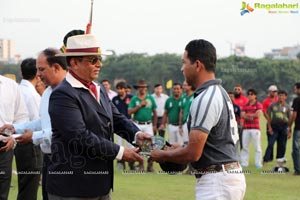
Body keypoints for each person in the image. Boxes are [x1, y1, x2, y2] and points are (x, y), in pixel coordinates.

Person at [47, 34, 149, 199]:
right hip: (73, 187)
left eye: (99, 59)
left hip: (100, 185)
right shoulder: (63, 95)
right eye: (93, 60)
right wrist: (121, 152)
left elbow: (117, 118)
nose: (99, 64)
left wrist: (137, 135)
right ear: (73, 62)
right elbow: (79, 136)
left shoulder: (99, 88)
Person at [151, 39, 246, 200]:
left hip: (217, 181)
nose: (182, 68)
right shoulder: (218, 92)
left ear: (197, 65)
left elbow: (193, 154)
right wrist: (178, 147)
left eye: (184, 62)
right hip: (224, 176)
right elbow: (210, 144)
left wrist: (162, 155)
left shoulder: (206, 97)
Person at [1, 48, 68, 200]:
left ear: (56, 67)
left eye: (41, 69)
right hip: (50, 159)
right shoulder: (48, 92)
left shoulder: (69, 93)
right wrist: (15, 128)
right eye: (37, 70)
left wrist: (33, 137)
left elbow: (62, 131)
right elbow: (43, 121)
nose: (38, 75)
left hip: (65, 160)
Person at [15, 58, 43, 200]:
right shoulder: (33, 95)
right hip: (30, 144)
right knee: (29, 190)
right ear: (38, 74)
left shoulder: (18, 89)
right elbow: (39, 122)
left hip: (20, 142)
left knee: (25, 186)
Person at [0, 75, 29, 200]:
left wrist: (13, 138)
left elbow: (22, 117)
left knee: (2, 192)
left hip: (5, 147)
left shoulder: (10, 86)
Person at [128, 79, 157, 172]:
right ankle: (140, 165)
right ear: (138, 88)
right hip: (137, 124)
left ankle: (150, 165)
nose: (142, 89)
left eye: (144, 87)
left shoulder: (150, 98)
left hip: (148, 124)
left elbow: (155, 112)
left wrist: (155, 125)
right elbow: (129, 111)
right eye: (141, 87)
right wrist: (140, 105)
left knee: (149, 146)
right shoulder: (134, 99)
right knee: (138, 146)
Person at [263, 90, 291, 166]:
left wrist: (289, 130)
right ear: (277, 96)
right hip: (274, 126)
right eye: (279, 95)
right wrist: (269, 127)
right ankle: (266, 160)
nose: (281, 97)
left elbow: (290, 119)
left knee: (282, 144)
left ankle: (280, 161)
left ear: (285, 97)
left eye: (283, 95)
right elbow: (268, 117)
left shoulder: (287, 106)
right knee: (271, 143)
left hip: (284, 127)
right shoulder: (272, 105)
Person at [112, 81, 135, 170]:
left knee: (130, 144)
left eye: (121, 88)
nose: (120, 90)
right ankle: (120, 163)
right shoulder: (115, 99)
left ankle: (131, 164)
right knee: (119, 144)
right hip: (118, 124)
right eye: (118, 89)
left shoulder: (131, 98)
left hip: (129, 123)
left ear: (125, 89)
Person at [240, 89, 263, 168]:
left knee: (257, 147)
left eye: (251, 94)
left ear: (255, 95)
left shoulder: (258, 104)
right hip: (246, 128)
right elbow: (242, 115)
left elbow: (258, 114)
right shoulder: (245, 105)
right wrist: (252, 115)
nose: (250, 95)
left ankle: (258, 163)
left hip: (255, 128)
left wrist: (248, 115)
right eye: (248, 94)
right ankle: (244, 163)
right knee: (245, 146)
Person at [262, 85, 279, 163]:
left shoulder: (278, 100)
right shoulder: (266, 101)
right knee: (270, 141)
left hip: (279, 124)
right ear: (270, 92)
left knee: (279, 142)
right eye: (274, 91)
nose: (275, 93)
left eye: (276, 91)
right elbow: (264, 112)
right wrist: (269, 120)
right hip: (270, 123)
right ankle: (269, 157)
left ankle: (277, 157)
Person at [288, 82, 300, 176]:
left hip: (298, 128)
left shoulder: (297, 100)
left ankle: (298, 170)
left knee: (296, 149)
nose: (294, 90)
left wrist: (289, 127)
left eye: (295, 89)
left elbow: (294, 114)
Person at [179, 81, 194, 145]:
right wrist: (180, 126)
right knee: (185, 142)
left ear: (190, 86)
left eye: (185, 85)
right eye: (183, 85)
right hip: (185, 123)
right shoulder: (183, 97)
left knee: (192, 142)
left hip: (193, 123)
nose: (183, 87)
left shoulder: (196, 95)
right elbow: (181, 111)